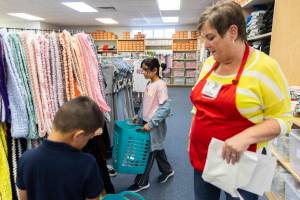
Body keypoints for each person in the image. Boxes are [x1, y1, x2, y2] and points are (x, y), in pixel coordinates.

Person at [189, 1, 292, 200]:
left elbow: (283, 119)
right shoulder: (209, 63)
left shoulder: (265, 67)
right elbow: (198, 107)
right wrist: (190, 135)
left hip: (245, 163)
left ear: (232, 32)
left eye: (211, 38)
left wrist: (246, 137)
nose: (206, 45)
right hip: (203, 156)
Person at [17, 96, 105, 200]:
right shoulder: (87, 164)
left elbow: (23, 198)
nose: (87, 143)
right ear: (78, 136)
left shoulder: (26, 159)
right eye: (88, 138)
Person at [127, 58, 174, 192]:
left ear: (155, 70)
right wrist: (139, 115)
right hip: (146, 121)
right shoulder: (149, 84)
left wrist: (152, 123)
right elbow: (146, 103)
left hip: (154, 124)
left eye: (146, 70)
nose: (143, 72)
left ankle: (142, 182)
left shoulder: (161, 85)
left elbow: (165, 108)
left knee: (149, 151)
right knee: (156, 148)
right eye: (142, 69)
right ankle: (167, 170)